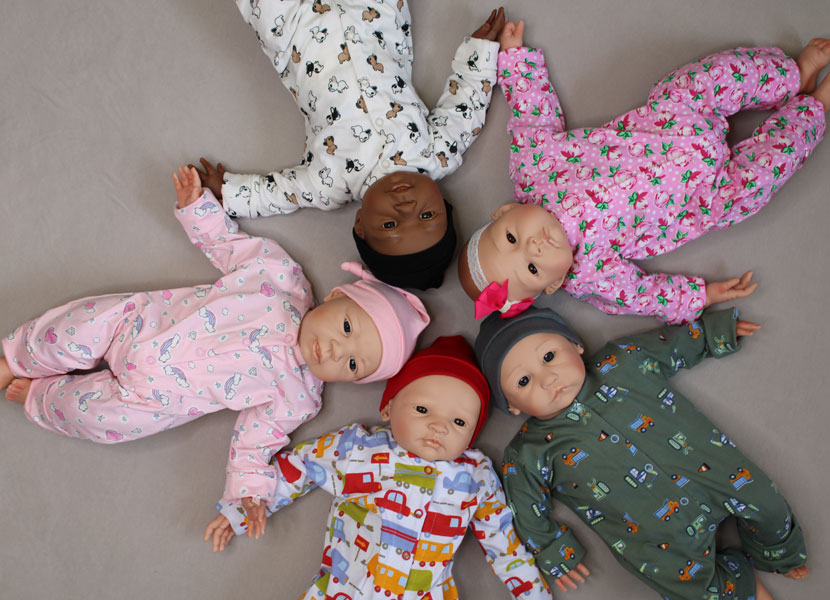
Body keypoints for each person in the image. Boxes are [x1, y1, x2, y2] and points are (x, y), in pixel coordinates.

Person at [0, 166, 429, 514]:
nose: (335, 349)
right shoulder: (281, 280)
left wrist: (250, 492)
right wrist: (198, 209)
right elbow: (230, 245)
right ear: (336, 296)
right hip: (139, 324)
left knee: (102, 419)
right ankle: (18, 357)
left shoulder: (299, 396)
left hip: (153, 400)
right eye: (347, 328)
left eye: (352, 365)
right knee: (79, 325)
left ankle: (44, 401)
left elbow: (255, 442)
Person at [460, 20, 830, 322]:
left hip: (673, 118)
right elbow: (642, 295)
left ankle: (792, 76)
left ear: (506, 211)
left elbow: (531, 117)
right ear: (554, 285)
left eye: (512, 238)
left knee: (707, 77)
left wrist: (516, 61)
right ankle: (813, 109)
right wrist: (699, 296)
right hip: (704, 196)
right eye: (533, 268)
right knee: (757, 180)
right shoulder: (589, 274)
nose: (534, 247)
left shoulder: (532, 170)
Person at [474, 306, 809, 599]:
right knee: (686, 587)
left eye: (549, 357)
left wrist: (711, 333)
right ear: (512, 407)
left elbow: (669, 344)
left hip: (717, 473)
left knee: (767, 502)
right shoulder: (528, 451)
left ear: (575, 345)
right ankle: (740, 585)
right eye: (523, 382)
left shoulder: (621, 361)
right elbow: (524, 507)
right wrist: (552, 548)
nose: (547, 379)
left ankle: (777, 553)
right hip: (656, 535)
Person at [204, 336, 553, 599]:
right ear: (388, 408)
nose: (439, 426)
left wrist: (533, 593)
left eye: (459, 422)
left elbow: (502, 541)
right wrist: (245, 505)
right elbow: (302, 465)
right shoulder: (359, 448)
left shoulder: (477, 476)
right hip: (344, 588)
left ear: (472, 437)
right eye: (422, 410)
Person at [193, 1, 506, 290]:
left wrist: (228, 193)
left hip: (295, 30)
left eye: (390, 224)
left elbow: (279, 194)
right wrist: (480, 53)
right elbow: (465, 108)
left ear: (360, 225)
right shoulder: (437, 155)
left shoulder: (331, 185)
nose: (407, 207)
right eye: (427, 216)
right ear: (443, 204)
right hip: (371, 15)